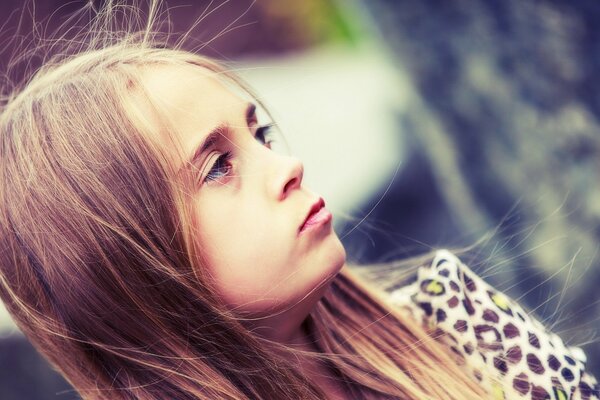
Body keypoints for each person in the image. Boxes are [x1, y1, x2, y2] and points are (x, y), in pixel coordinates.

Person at [0, 2, 597, 399]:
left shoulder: (455, 319)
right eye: (217, 168)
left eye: (261, 135)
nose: (289, 166)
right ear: (121, 271)